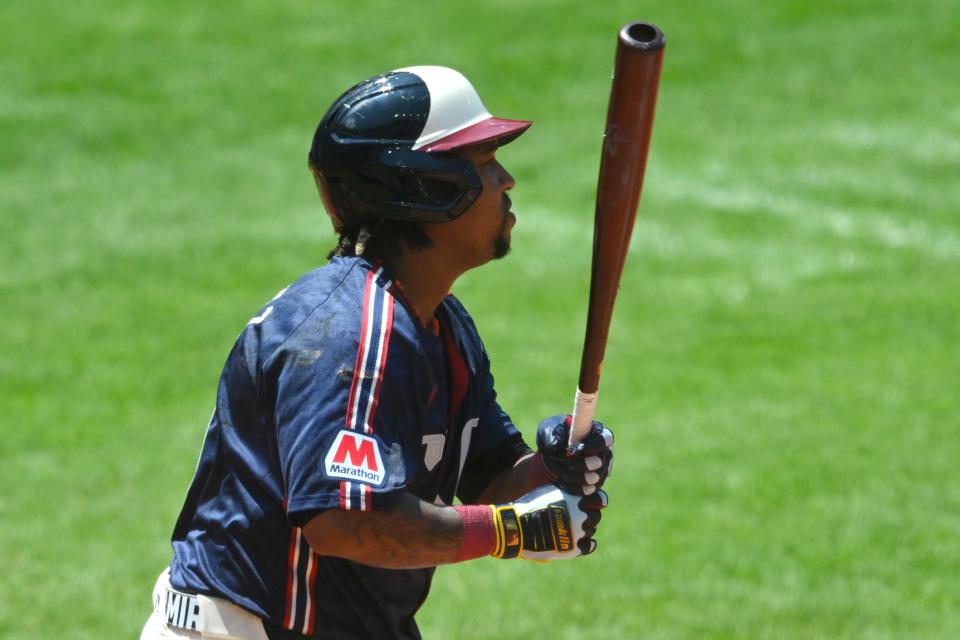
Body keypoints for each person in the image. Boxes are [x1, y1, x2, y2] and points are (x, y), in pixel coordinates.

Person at [140, 65, 615, 640]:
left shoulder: (441, 326)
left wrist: (554, 469)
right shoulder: (346, 331)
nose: (507, 180)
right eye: (486, 164)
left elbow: (492, 482)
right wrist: (513, 531)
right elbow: (347, 521)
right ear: (426, 186)